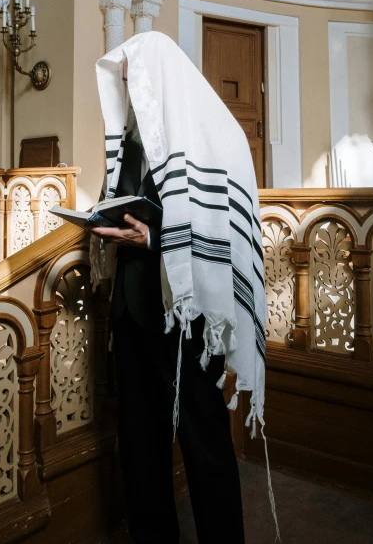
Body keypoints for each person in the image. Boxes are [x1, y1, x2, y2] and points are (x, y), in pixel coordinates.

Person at [89, 32, 272, 544]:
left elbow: (222, 233)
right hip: (132, 308)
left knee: (203, 438)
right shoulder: (130, 142)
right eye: (126, 85)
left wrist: (153, 237)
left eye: (137, 81)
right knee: (139, 443)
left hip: (190, 317)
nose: (131, 94)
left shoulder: (216, 136)